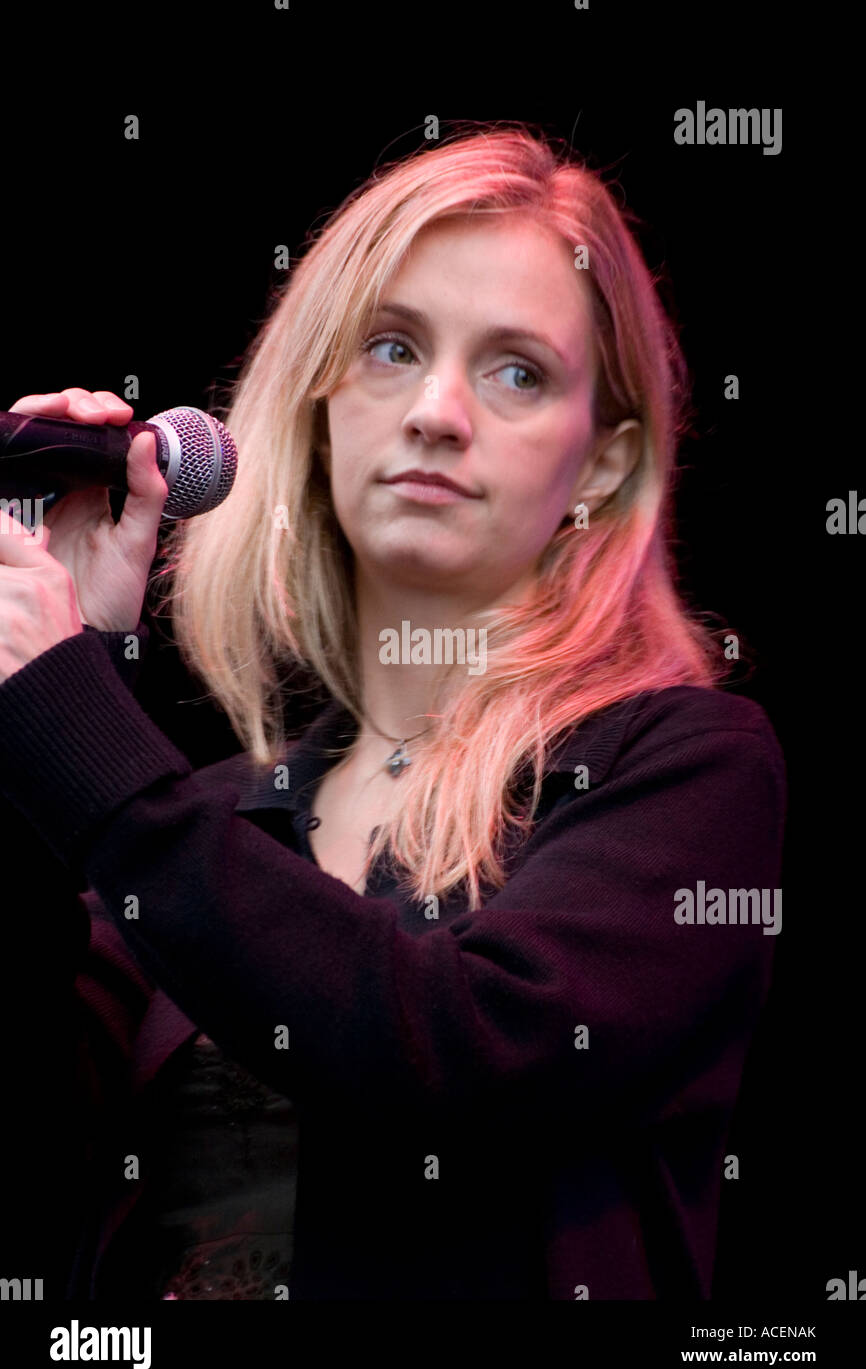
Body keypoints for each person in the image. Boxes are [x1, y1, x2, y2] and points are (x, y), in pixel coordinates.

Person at [0, 125, 786, 1301]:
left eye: (515, 370)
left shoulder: (684, 766)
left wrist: (78, 735)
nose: (436, 412)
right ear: (319, 406)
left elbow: (456, 1053)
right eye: (390, 348)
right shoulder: (217, 812)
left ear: (605, 464)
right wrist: (40, 705)